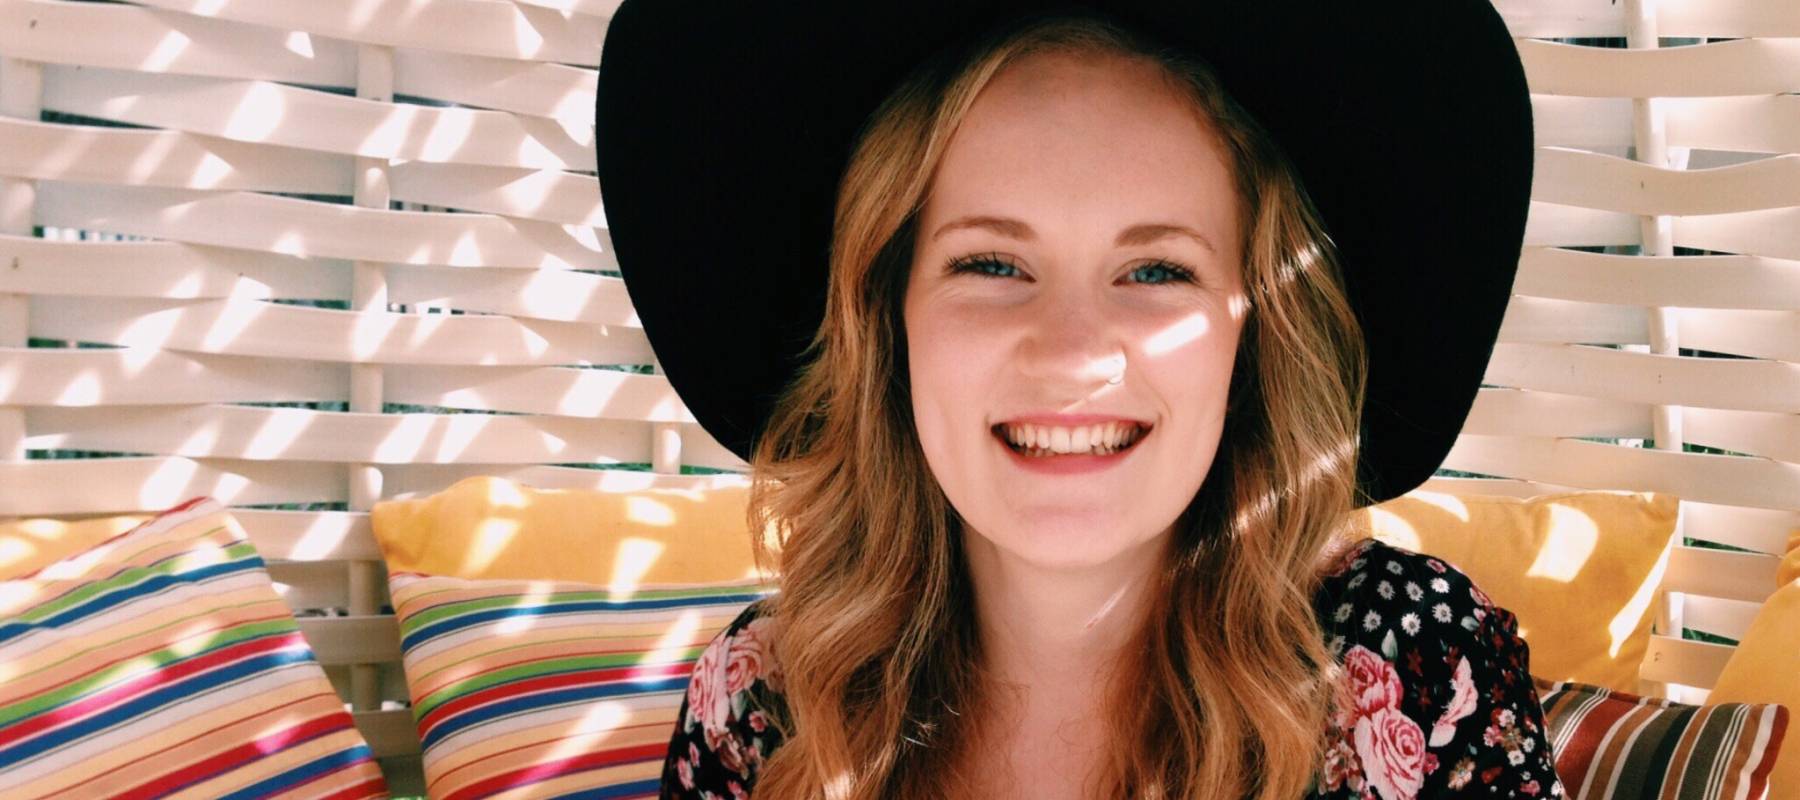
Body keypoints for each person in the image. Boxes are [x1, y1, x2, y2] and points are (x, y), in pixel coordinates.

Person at [596, 1, 1558, 798]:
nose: (1070, 353)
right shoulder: (765, 704)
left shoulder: (1417, 667)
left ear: (1252, 328)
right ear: (888, 320)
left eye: (1154, 270)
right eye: (990, 262)